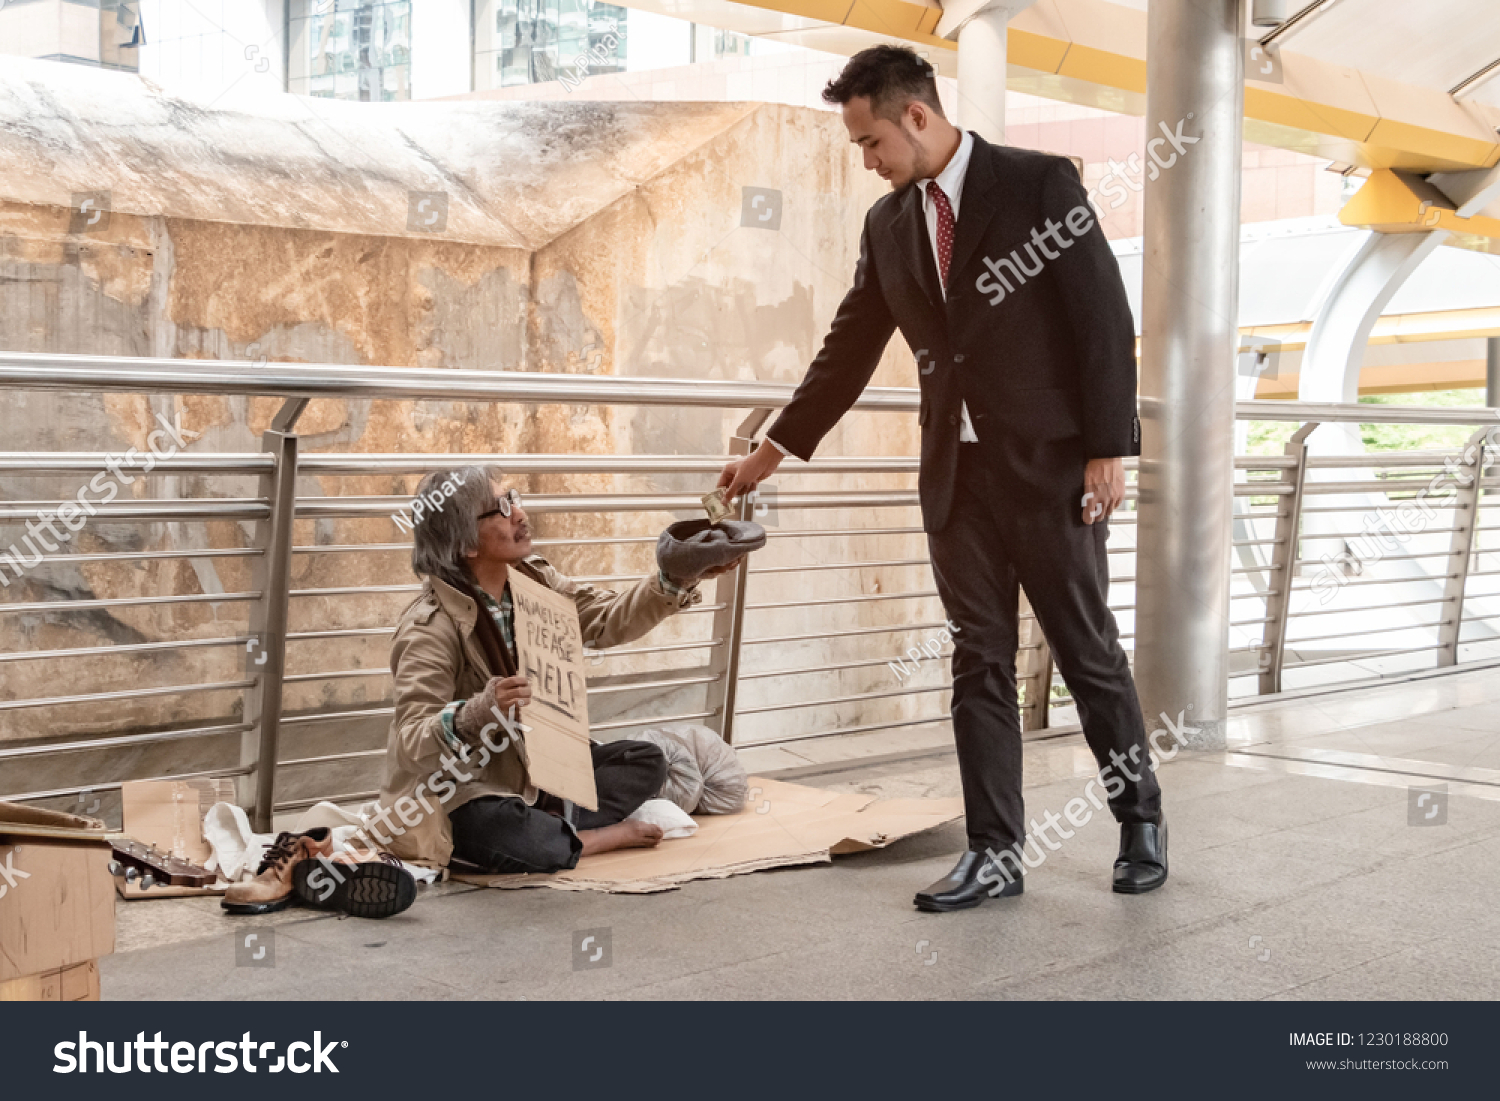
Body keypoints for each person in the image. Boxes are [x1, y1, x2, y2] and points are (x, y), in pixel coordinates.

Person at [718, 46, 1166, 912]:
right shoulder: (889, 225)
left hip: (1051, 468)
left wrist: (1108, 447)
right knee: (978, 662)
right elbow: (848, 347)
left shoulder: (1039, 185)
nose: (868, 162)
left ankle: (1139, 818)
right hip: (955, 480)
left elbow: (1101, 316)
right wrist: (773, 448)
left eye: (871, 141)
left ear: (916, 117)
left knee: (1086, 652)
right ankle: (995, 851)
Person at [371, 465, 744, 875]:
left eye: (513, 498)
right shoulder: (430, 627)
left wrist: (675, 577)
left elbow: (606, 619)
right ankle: (585, 839)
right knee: (502, 828)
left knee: (648, 761)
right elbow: (410, 739)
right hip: (469, 788)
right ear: (466, 543)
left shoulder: (536, 581)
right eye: (500, 508)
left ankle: (551, 829)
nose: (519, 513)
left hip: (537, 770)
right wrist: (473, 714)